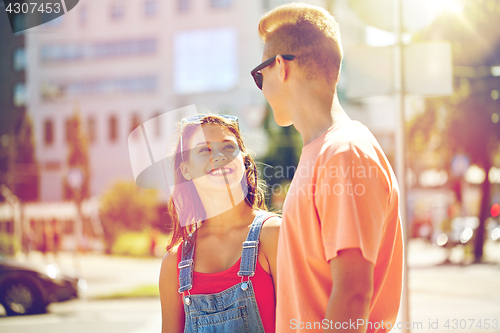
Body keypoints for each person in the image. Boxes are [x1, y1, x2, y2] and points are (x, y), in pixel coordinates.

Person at [252, 4, 404, 332]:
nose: (261, 87)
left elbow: (352, 295)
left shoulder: (343, 154)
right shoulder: (325, 152)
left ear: (280, 67)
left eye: (258, 75)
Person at [159, 114, 280, 333]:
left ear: (243, 161)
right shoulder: (174, 264)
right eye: (204, 150)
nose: (219, 156)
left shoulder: (274, 235)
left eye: (228, 147)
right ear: (185, 170)